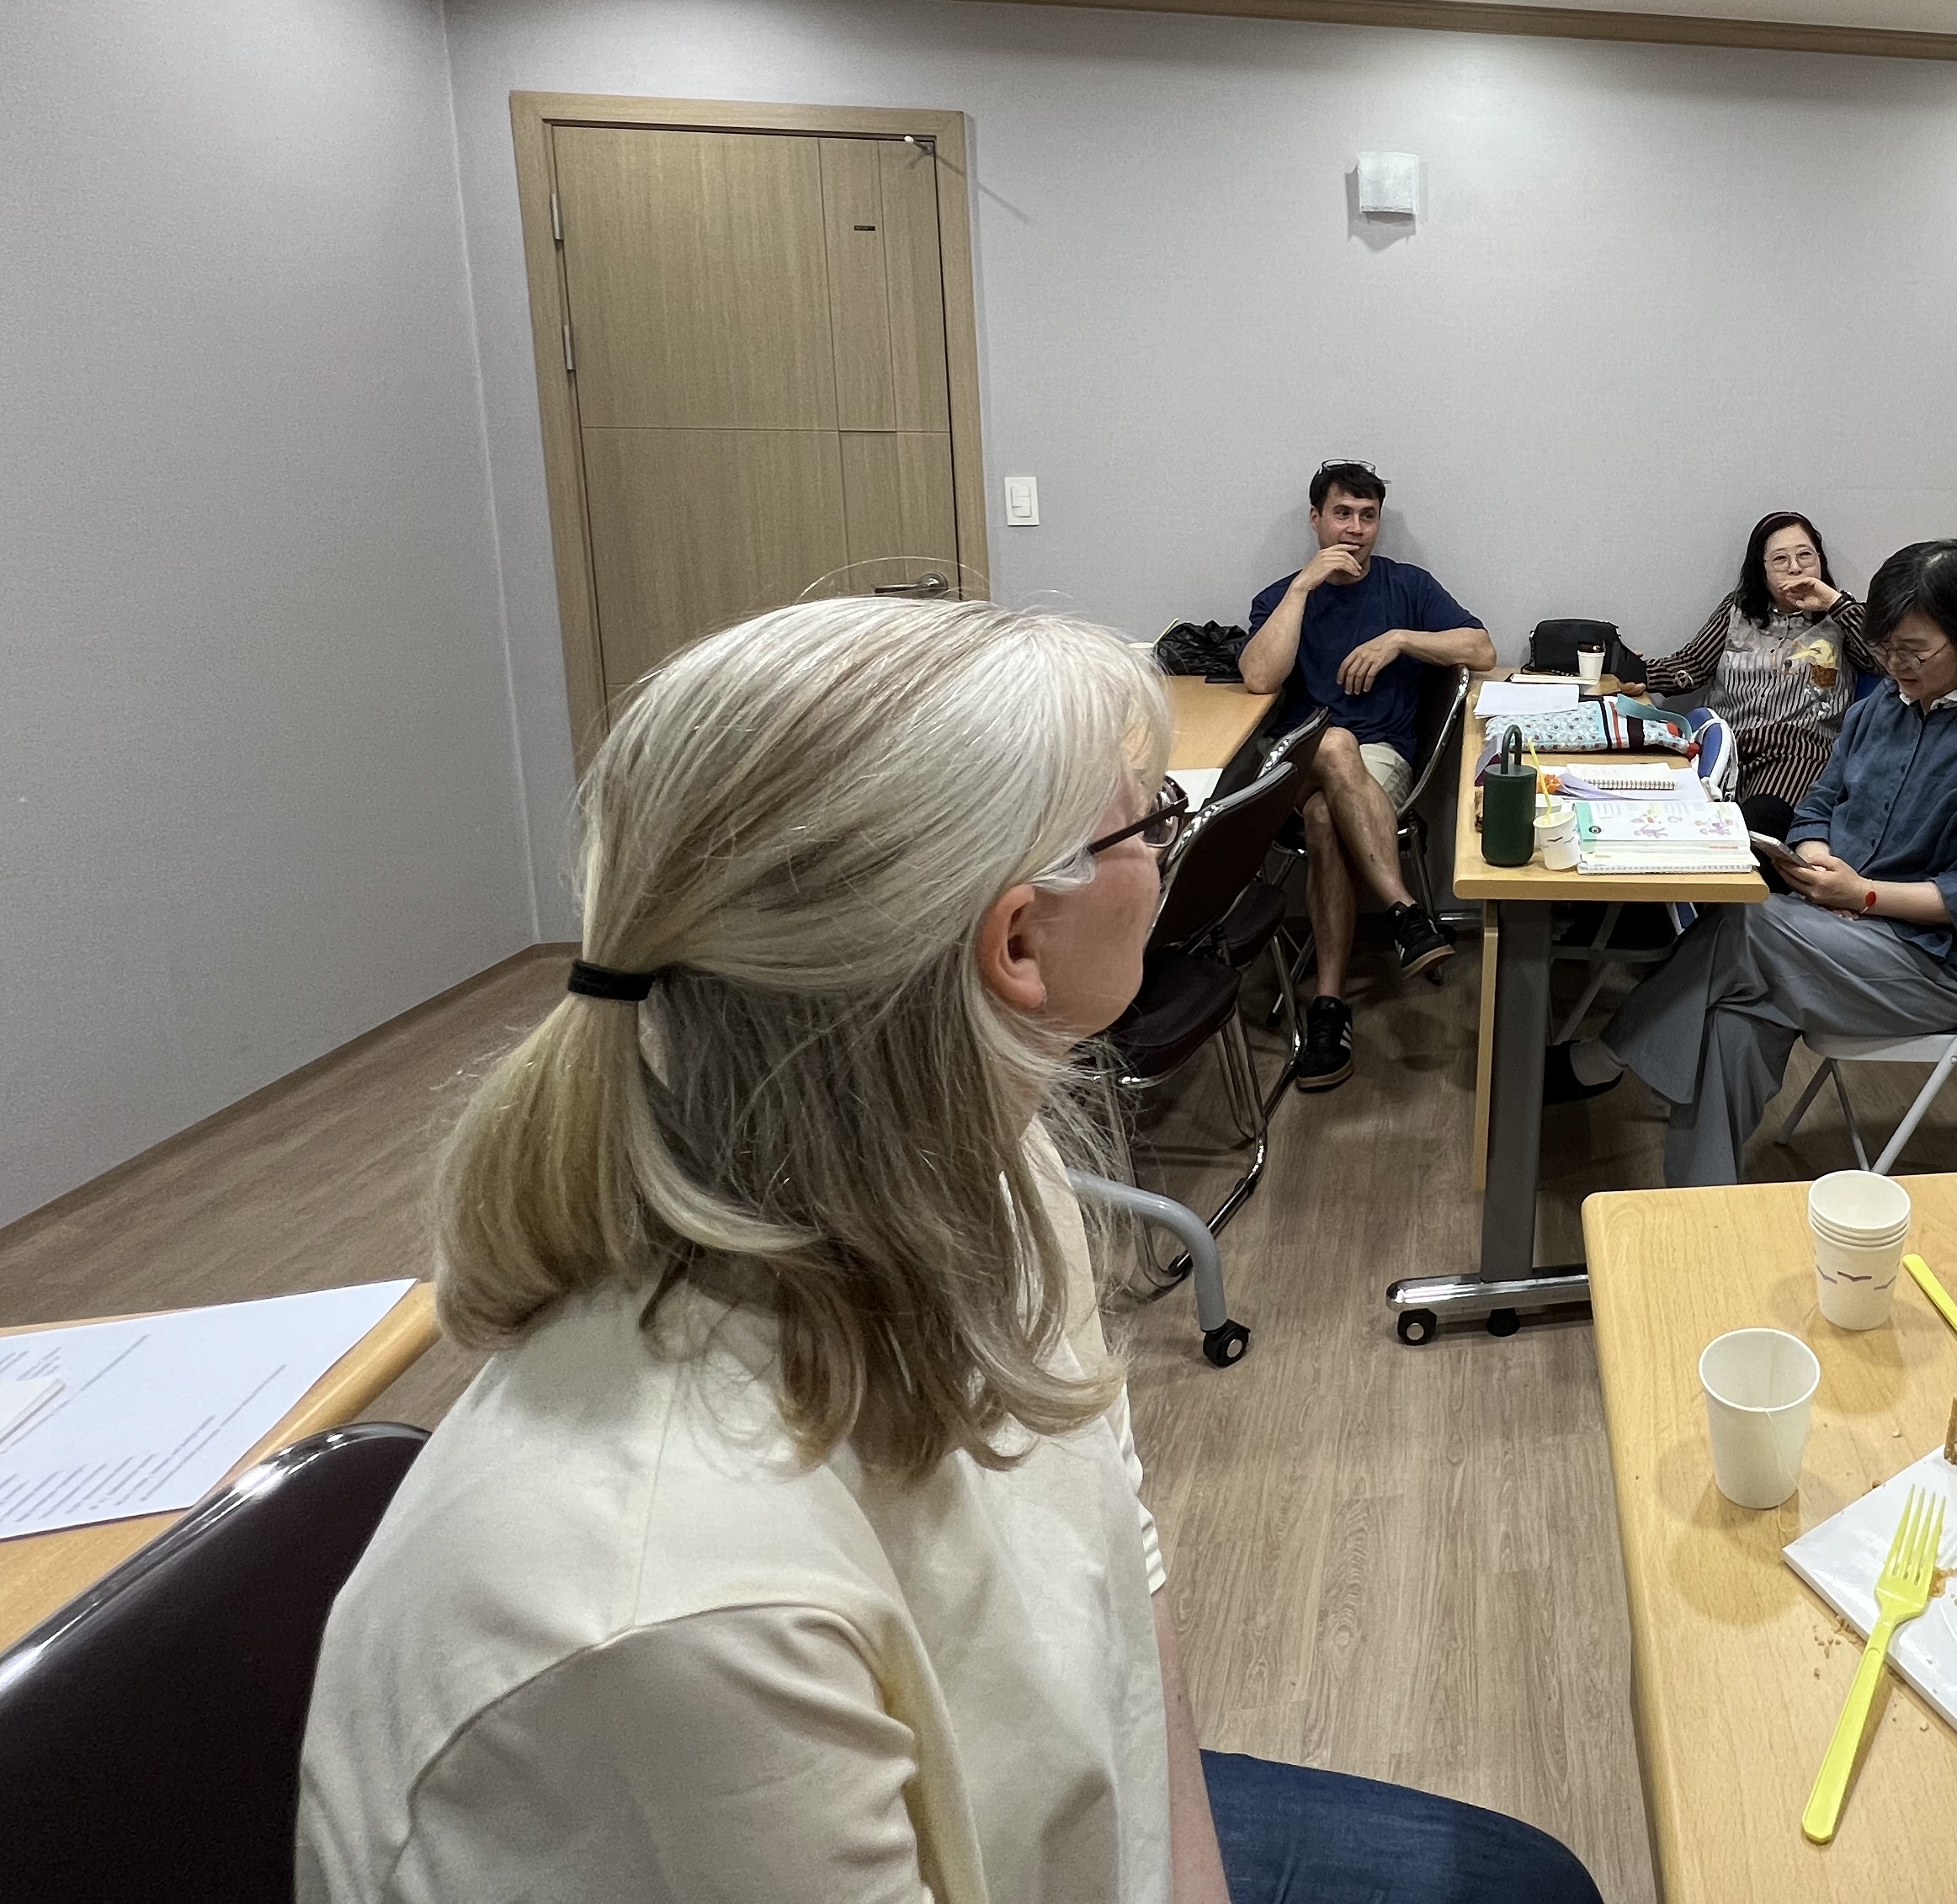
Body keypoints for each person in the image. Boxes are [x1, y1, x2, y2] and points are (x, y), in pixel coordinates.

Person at [297, 597, 1603, 1904]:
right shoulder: (665, 1618)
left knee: (1523, 1884)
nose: (1172, 847)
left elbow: (1116, 1561)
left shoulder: (992, 1165)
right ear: (1019, 941)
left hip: (1035, 1790)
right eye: (1154, 821)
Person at [1554, 540, 1957, 1184]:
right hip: (1840, 936)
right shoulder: (1881, 709)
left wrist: (1863, 895)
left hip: (1944, 970)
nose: (1896, 666)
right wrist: (1815, 859)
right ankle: (1702, 1208)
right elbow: (1818, 805)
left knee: (1747, 923)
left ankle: (1602, 1058)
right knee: (1733, 1019)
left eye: (1914, 652)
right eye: (1887, 649)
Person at [1241, 460, 1496, 1092]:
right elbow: (1260, 678)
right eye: (1342, 514)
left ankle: (1328, 1008)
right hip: (1299, 763)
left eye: (1367, 516)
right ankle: (1405, 910)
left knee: (1326, 816)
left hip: (1384, 758)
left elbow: (1482, 650)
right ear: (1316, 519)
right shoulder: (1282, 595)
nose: (1354, 529)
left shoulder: (1406, 586)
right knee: (1332, 742)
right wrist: (1303, 589)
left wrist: (1401, 639)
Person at [1630, 510, 1881, 838]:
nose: (1795, 568)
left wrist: (1834, 603)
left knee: (1756, 824)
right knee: (1670, 818)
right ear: (1761, 571)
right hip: (1726, 746)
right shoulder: (1737, 610)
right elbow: (1692, 665)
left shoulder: (1841, 618)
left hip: (1798, 749)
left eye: (1805, 555)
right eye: (1780, 559)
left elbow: (1884, 661)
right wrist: (1637, 674)